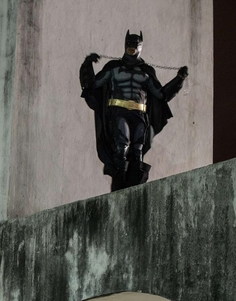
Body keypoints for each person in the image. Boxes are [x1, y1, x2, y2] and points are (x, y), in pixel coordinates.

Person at [80, 30, 189, 191]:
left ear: (140, 46)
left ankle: (133, 188)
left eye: (135, 44)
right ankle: (118, 186)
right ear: (125, 44)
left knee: (138, 150)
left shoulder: (146, 72)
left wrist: (179, 79)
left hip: (139, 114)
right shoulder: (113, 68)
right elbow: (93, 84)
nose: (132, 46)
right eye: (129, 43)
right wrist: (87, 64)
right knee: (122, 146)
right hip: (118, 112)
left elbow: (161, 94)